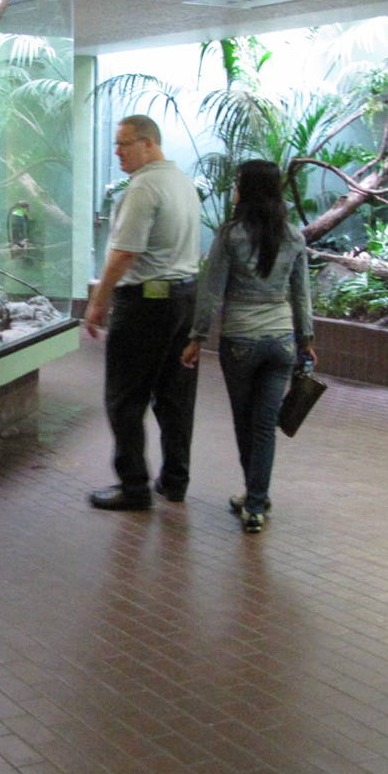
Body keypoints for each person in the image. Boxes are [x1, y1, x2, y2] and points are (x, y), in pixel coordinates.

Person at [181, 160, 316, 535]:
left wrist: (196, 338)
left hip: (240, 341)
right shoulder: (294, 237)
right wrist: (306, 340)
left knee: (246, 422)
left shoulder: (231, 235)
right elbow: (302, 295)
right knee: (264, 427)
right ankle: (256, 499)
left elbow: (211, 291)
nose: (234, 190)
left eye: (238, 184)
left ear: (248, 190)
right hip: (281, 342)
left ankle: (255, 498)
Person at [83, 114, 202, 510]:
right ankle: (174, 480)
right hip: (184, 300)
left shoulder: (145, 186)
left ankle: (134, 487)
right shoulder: (183, 183)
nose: (117, 152)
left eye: (124, 143)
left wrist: (100, 300)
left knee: (125, 398)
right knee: (174, 398)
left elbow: (126, 251)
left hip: (147, 305)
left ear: (149, 143)